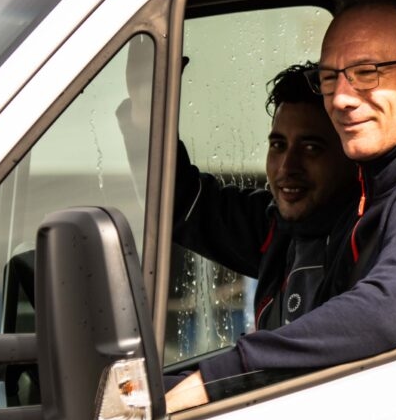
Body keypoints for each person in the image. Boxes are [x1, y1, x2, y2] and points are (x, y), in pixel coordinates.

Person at [164, 0, 396, 410]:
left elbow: (385, 310)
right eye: (330, 78)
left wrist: (219, 379)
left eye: (366, 73)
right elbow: (187, 207)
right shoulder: (359, 196)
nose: (341, 98)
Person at [137, 61, 359, 360]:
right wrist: (148, 107)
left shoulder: (367, 237)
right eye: (278, 145)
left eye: (311, 148)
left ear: (351, 152)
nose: (287, 167)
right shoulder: (276, 229)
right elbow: (179, 202)